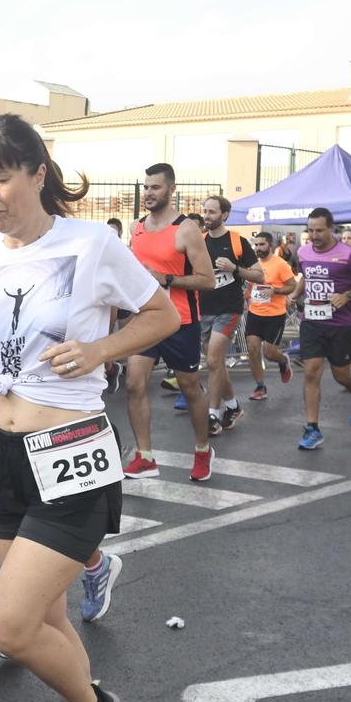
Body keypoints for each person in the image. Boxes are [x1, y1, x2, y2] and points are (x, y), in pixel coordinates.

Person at [0, 114, 176, 702]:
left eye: (1, 175)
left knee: (8, 623)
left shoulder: (90, 243)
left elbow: (163, 315)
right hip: (0, 451)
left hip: (70, 450)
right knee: (44, 615)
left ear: (38, 173)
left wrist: (98, 349)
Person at [121, 163, 215, 482]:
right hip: (146, 318)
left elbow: (208, 281)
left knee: (189, 388)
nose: (148, 193)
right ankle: (144, 456)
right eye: (146, 187)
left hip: (180, 321)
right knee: (133, 383)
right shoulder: (137, 227)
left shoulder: (186, 229)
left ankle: (203, 449)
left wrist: (167, 278)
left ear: (171, 190)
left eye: (156, 187)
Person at [294, 208, 351, 451]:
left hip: (342, 324)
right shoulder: (303, 251)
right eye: (310, 230)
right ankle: (312, 428)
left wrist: (347, 295)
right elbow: (306, 276)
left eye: (319, 230)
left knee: (341, 375)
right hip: (312, 322)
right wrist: (296, 294)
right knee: (311, 372)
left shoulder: (350, 255)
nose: (314, 235)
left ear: (330, 229)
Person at [196, 193, 263, 433]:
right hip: (204, 310)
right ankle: (233, 405)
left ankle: (213, 414)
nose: (207, 215)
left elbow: (259, 275)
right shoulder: (199, 241)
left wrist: (235, 268)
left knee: (214, 361)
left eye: (212, 212)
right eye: (205, 211)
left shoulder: (237, 242)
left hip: (229, 309)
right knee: (217, 364)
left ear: (224, 215)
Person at [242, 229, 295, 400]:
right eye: (256, 244)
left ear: (270, 245)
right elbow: (250, 287)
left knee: (269, 353)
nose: (258, 247)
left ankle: (283, 361)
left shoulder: (280, 264)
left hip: (275, 315)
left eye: (262, 244)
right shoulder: (253, 265)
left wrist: (275, 291)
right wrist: (245, 297)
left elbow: (292, 286)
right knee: (252, 349)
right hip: (255, 313)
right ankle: (260, 386)